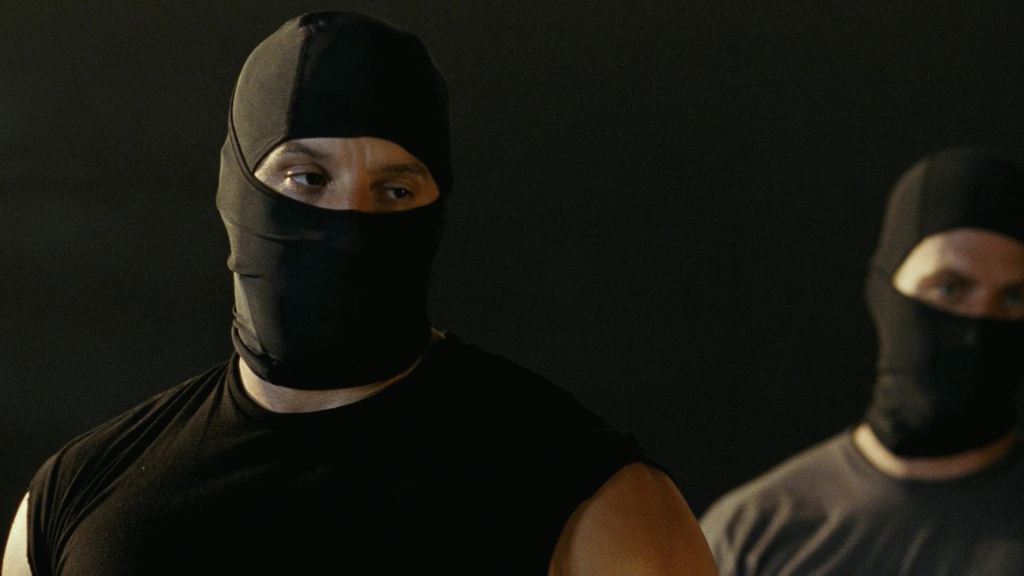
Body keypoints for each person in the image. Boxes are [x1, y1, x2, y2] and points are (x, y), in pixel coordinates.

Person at [2, 12, 716, 576]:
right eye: (307, 179)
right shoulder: (78, 497)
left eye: (395, 189)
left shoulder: (591, 498)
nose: (350, 225)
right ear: (237, 191)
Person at [700, 147, 1024, 575]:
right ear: (886, 292)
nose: (978, 326)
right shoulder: (753, 534)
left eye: (1014, 297)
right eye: (949, 288)